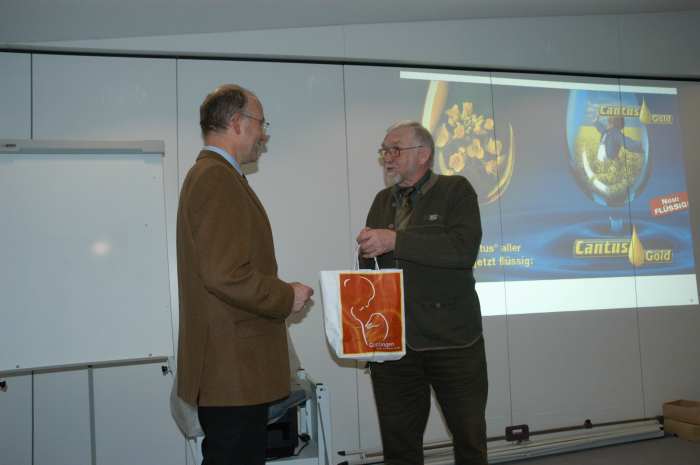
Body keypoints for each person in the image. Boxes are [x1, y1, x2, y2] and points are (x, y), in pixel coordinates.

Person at [176, 84, 314, 465]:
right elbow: (225, 274)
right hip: (232, 372)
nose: (263, 134)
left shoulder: (217, 176)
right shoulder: (215, 178)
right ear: (237, 123)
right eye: (260, 123)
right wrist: (286, 296)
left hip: (233, 372)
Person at [357, 121, 487, 465]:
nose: (387, 157)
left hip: (453, 343)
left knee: (469, 442)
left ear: (423, 154)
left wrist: (395, 240)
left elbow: (462, 250)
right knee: (399, 448)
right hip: (394, 347)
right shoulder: (382, 200)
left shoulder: (456, 190)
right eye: (384, 151)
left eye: (395, 149)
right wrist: (367, 251)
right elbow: (373, 268)